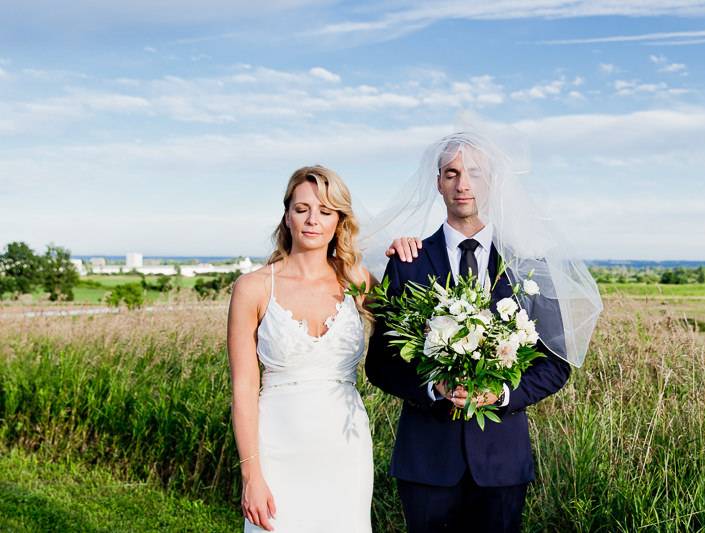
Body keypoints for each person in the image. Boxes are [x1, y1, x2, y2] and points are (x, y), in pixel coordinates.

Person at [365, 131, 601, 533]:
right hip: (426, 461)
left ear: (493, 181)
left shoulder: (527, 263)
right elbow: (381, 364)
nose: (463, 184)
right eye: (451, 173)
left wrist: (504, 393)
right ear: (438, 182)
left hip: (501, 462)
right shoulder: (409, 261)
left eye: (475, 172)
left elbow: (556, 363)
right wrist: (430, 389)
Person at [227, 165, 375, 532]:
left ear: (339, 221)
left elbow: (410, 332)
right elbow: (244, 389)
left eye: (325, 211)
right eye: (302, 209)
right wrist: (252, 476)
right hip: (277, 445)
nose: (313, 220)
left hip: (346, 448)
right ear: (287, 216)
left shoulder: (357, 280)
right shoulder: (253, 288)